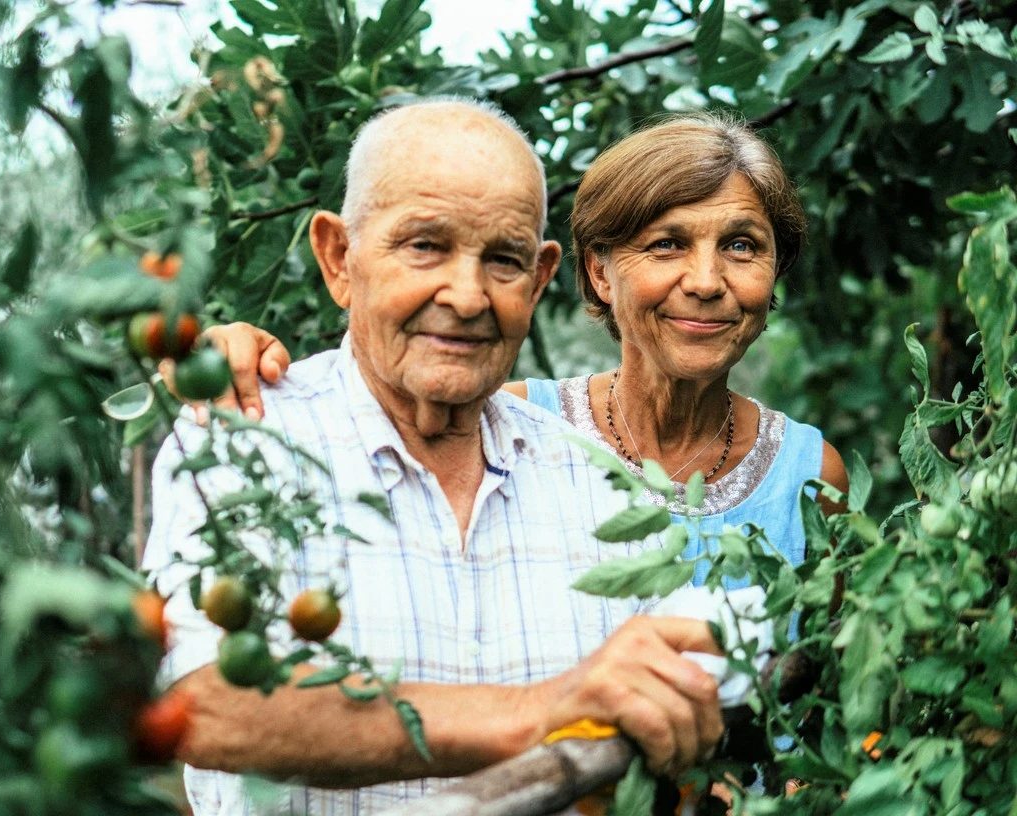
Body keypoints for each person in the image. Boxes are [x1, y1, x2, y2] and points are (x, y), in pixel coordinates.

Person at [142, 99, 724, 816]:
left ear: (539, 282)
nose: (468, 294)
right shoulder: (241, 438)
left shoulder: (606, 489)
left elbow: (674, 726)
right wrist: (536, 712)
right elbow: (203, 704)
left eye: (504, 260)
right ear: (338, 259)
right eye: (425, 246)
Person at [208, 113, 850, 585]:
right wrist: (238, 359)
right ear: (600, 273)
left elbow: (827, 703)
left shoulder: (811, 474)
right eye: (666, 245)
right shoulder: (509, 431)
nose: (707, 282)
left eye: (742, 246)